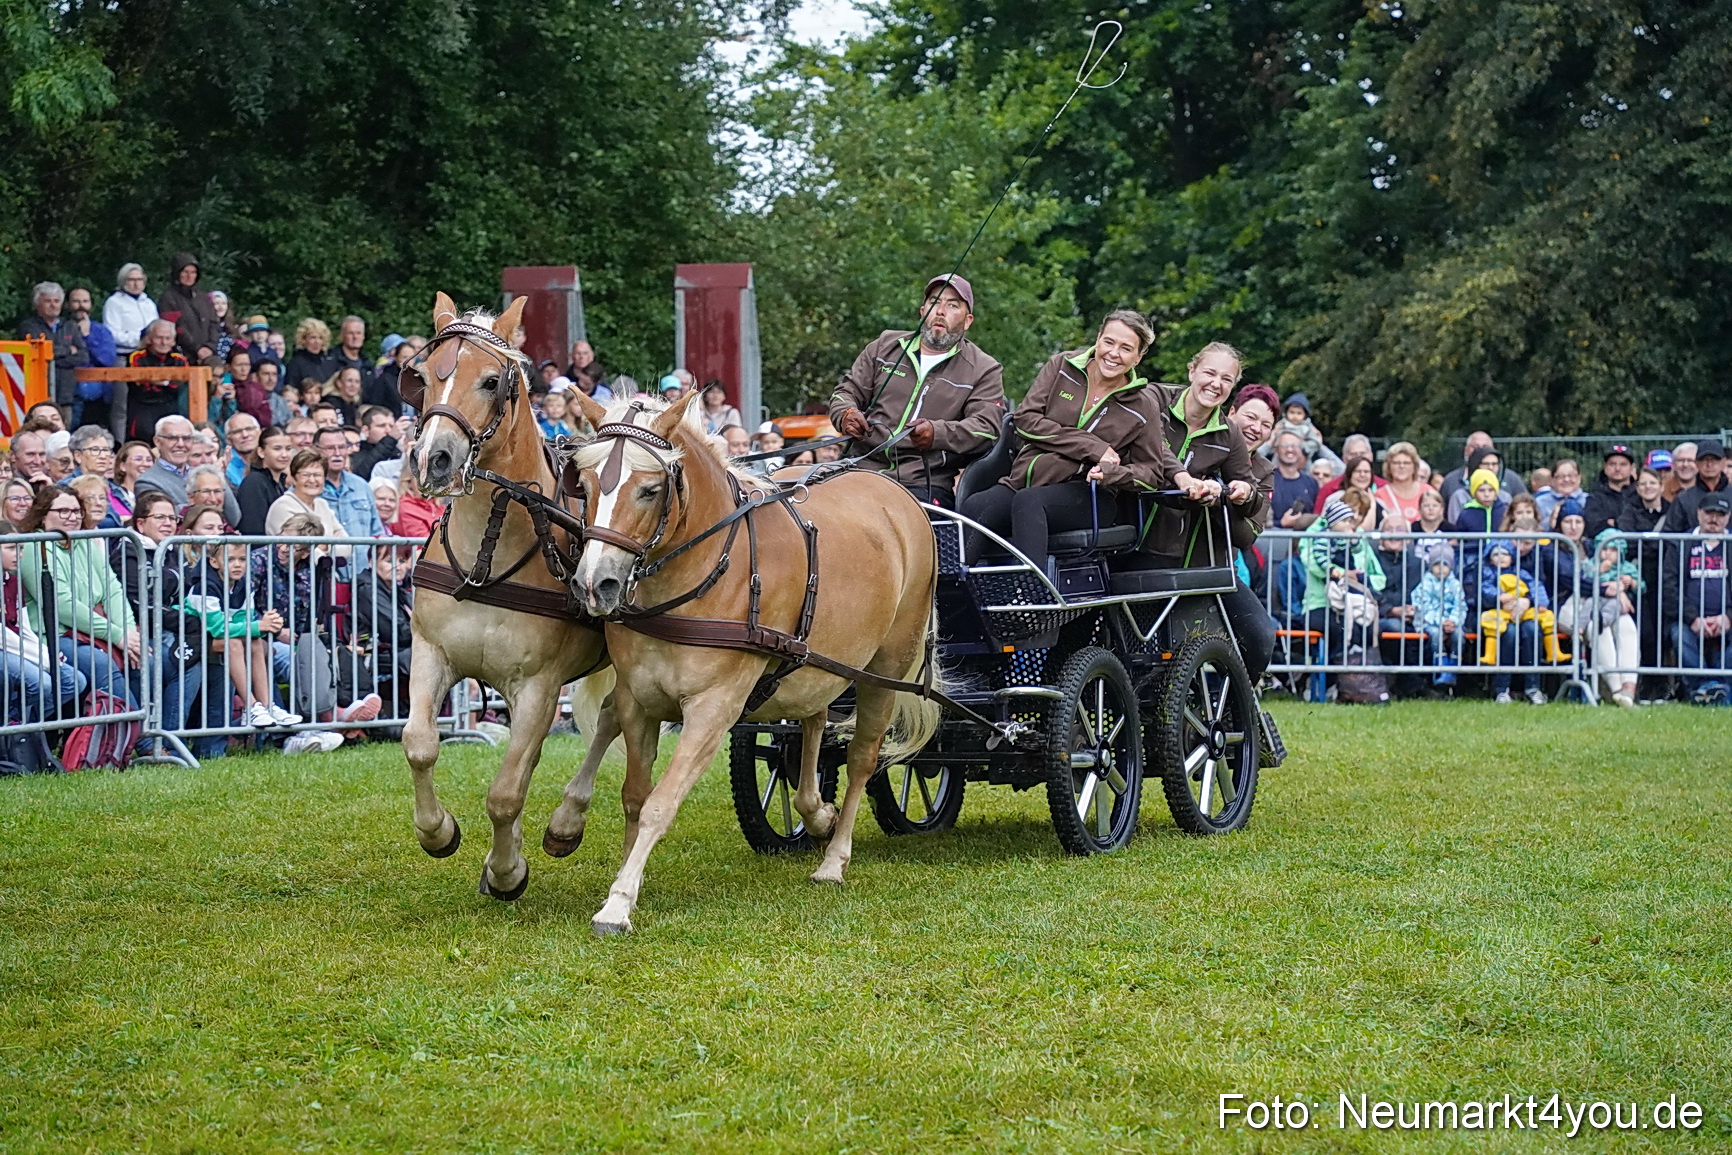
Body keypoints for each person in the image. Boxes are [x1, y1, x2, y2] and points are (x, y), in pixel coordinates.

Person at [961, 310, 1203, 568]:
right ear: (1098, 339)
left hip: (1088, 494)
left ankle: (1032, 598)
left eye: (1126, 348)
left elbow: (1151, 473)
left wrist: (1112, 473)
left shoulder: (1144, 405)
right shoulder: (1062, 366)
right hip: (1025, 478)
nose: (1113, 353)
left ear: (1138, 356)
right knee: (977, 506)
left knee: (1029, 502)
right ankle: (949, 597)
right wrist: (1092, 447)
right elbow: (1025, 419)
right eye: (1108, 342)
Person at [830, 274, 1006, 508]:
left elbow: (986, 429)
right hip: (860, 468)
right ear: (923, 311)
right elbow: (845, 392)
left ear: (968, 320)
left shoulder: (984, 369)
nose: (940, 311)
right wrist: (846, 414)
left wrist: (937, 433)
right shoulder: (884, 346)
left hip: (924, 483)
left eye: (952, 305)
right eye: (935, 301)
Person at [175, 503, 299, 729]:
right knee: (233, 643)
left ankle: (268, 705)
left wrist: (266, 625)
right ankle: (250, 707)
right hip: (191, 638)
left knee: (254, 642)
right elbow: (218, 629)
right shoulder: (204, 586)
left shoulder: (243, 585)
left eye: (242, 560)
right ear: (214, 562)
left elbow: (245, 619)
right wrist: (259, 625)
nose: (238, 565)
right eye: (231, 560)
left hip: (218, 638)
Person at [17, 484, 139, 707]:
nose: (72, 517)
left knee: (144, 657)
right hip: (55, 635)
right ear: (43, 517)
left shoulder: (85, 541)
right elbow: (61, 604)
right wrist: (117, 635)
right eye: (63, 511)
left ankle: (158, 730)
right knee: (100, 663)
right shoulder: (35, 546)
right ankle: (140, 737)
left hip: (93, 630)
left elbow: (113, 590)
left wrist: (129, 632)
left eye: (76, 511)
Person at [109, 491, 208, 737]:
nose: (167, 523)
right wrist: (190, 621)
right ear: (140, 523)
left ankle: (186, 738)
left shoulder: (169, 549)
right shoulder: (128, 552)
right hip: (140, 632)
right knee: (165, 662)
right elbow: (141, 606)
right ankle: (152, 739)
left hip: (171, 629)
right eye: (160, 517)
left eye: (172, 518)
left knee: (203, 657)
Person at [0, 519, 86, 723]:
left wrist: (46, 652)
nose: (18, 554)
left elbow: (24, 627)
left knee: (74, 681)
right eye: (11, 548)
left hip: (16, 647)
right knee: (42, 682)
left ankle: (22, 728)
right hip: (5, 648)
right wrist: (43, 659)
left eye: (21, 548)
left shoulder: (13, 581)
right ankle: (11, 730)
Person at [1661, 492, 1731, 704]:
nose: (1714, 519)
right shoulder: (1681, 543)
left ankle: (1723, 689)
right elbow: (1669, 586)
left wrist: (1728, 617)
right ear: (1699, 514)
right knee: (1679, 636)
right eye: (1709, 513)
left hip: (1727, 619)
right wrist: (1693, 618)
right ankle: (1701, 689)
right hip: (1688, 619)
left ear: (1728, 517)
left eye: (1720, 514)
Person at [1299, 493, 1385, 663]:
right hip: (1321, 602)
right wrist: (1344, 574)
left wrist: (1360, 580)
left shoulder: (1356, 536)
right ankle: (1327, 677)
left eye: (1360, 514)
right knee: (1338, 629)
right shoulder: (1318, 534)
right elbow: (1315, 563)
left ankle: (1359, 681)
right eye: (1350, 514)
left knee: (1371, 627)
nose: (1354, 520)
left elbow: (1378, 576)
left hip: (1355, 599)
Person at [1476, 539, 1550, 704]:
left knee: (1532, 630)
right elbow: (1484, 591)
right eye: (1496, 554)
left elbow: (1535, 585)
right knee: (1509, 634)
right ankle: (1501, 689)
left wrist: (1538, 602)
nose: (1501, 557)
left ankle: (1533, 687)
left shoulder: (1521, 573)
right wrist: (1500, 597)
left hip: (1524, 614)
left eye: (1505, 554)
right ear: (1489, 557)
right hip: (1498, 617)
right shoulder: (1487, 573)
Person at [136, 415, 242, 530]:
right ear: (157, 441)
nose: (181, 444)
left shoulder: (201, 474)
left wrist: (217, 476)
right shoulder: (147, 481)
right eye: (172, 438)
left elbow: (234, 517)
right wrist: (204, 503)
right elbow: (164, 517)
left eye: (186, 438)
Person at [17, 281, 89, 417]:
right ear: (37, 304)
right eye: (47, 301)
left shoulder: (69, 326)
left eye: (56, 301)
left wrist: (53, 358)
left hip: (65, 396)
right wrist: (68, 350)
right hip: (38, 395)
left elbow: (83, 356)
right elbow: (39, 354)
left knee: (64, 434)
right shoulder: (29, 327)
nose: (53, 305)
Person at [315, 426, 384, 550]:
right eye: (330, 448)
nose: (337, 453)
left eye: (342, 447)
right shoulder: (308, 487)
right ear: (316, 450)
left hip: (361, 567)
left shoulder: (361, 486)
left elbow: (377, 532)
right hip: (324, 566)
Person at [123, 320, 190, 440]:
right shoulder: (137, 357)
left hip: (171, 407)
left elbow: (179, 386)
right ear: (149, 339)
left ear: (173, 341)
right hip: (143, 408)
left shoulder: (179, 359)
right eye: (159, 338)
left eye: (168, 338)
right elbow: (141, 387)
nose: (163, 342)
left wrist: (157, 381)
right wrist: (167, 382)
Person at [155, 253, 223, 366]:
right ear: (178, 273)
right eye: (185, 272)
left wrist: (210, 346)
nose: (189, 276)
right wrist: (197, 349)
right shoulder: (168, 298)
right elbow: (175, 327)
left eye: (193, 272)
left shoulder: (203, 297)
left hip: (208, 356)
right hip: (182, 356)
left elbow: (214, 324)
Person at [1414, 542, 1468, 687]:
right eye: (1437, 564)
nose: (1441, 569)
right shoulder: (1426, 583)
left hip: (1451, 622)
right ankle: (1440, 667)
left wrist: (1453, 621)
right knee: (1435, 634)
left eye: (1445, 565)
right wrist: (1442, 622)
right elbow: (1424, 607)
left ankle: (1454, 667)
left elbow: (1460, 605)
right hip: (1429, 622)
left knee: (1459, 635)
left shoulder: (1455, 584)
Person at [266, 450, 346, 541]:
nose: (312, 480)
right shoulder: (283, 506)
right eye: (305, 475)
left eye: (317, 475)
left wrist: (325, 546)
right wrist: (331, 543)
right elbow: (300, 549)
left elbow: (347, 545)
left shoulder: (322, 504)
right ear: (294, 478)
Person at [1661, 438, 1727, 534]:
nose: (1709, 464)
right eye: (1704, 460)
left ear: (1723, 462)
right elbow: (1669, 535)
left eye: (1715, 459)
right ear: (1697, 463)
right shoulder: (1683, 499)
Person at [237, 425, 293, 536]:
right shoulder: (254, 482)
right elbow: (253, 528)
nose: (284, 455)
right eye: (277, 449)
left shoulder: (280, 483)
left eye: (288, 449)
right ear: (261, 452)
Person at [1439, 432, 1526, 504]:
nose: (1480, 451)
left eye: (1485, 447)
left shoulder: (1512, 479)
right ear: (1466, 450)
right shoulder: (1451, 481)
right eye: (1476, 447)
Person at [102, 263, 158, 357]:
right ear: (123, 281)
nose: (136, 284)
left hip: (150, 354)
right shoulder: (114, 302)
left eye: (139, 280)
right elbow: (112, 334)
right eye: (131, 280)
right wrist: (139, 339)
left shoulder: (148, 303)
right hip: (125, 354)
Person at [1583, 443, 1638, 535]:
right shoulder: (1595, 497)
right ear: (1605, 466)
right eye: (1612, 464)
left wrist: (1613, 523)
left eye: (1623, 464)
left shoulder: (1640, 494)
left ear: (1632, 468)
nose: (1617, 468)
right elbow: (1593, 527)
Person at [1269, 431, 1319, 531]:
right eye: (1284, 446)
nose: (1290, 449)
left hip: (1305, 543)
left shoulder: (1311, 483)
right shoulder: (1266, 480)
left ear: (1301, 450)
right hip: (1272, 541)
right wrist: (1281, 523)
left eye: (1294, 446)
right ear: (1276, 451)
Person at [65, 287, 116, 375]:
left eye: (85, 301)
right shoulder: (60, 328)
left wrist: (87, 336)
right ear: (67, 304)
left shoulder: (101, 331)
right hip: (67, 379)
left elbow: (107, 360)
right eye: (76, 301)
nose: (81, 305)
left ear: (91, 304)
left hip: (96, 382)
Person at [284, 318, 339, 395]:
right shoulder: (295, 364)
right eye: (313, 337)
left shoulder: (329, 362)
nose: (317, 342)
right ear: (303, 340)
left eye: (320, 338)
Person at [1379, 442, 1427, 526]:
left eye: (1406, 463)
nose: (1401, 466)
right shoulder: (1380, 495)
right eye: (1396, 463)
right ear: (1388, 467)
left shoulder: (1428, 491)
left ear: (1414, 466)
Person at [1268, 392, 1326, 462]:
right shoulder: (1282, 425)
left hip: (1303, 455)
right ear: (1286, 413)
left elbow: (1315, 443)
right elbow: (1274, 440)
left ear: (1305, 415)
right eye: (1292, 412)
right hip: (1281, 455)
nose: (1295, 416)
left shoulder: (1308, 427)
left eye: (1299, 413)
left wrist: (1302, 446)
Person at [350, 406, 402, 478]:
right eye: (381, 426)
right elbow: (362, 474)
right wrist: (390, 439)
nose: (388, 430)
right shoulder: (356, 452)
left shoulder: (398, 452)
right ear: (366, 431)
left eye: (391, 426)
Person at [111, 440, 153, 526]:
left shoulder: (159, 493)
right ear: (122, 466)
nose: (145, 464)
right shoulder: (111, 495)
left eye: (149, 460)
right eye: (138, 459)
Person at [332, 316, 373, 392]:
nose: (355, 337)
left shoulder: (368, 364)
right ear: (342, 336)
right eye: (351, 333)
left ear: (363, 337)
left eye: (358, 333)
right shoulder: (330, 359)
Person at [223, 414, 262, 488]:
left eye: (249, 429)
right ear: (228, 440)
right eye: (237, 431)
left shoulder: (270, 460)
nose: (245, 435)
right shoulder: (226, 467)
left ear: (259, 432)